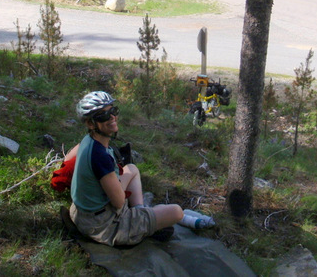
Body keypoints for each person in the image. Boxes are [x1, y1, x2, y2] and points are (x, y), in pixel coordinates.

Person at [68, 91, 214, 247]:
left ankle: (140, 211)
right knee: (176, 212)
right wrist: (117, 183)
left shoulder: (87, 140)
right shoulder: (100, 157)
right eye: (104, 115)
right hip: (103, 226)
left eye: (113, 111)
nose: (112, 117)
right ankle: (160, 218)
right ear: (90, 124)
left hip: (82, 214)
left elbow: (68, 158)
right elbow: (118, 202)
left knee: (132, 168)